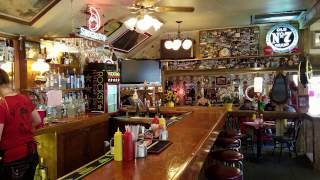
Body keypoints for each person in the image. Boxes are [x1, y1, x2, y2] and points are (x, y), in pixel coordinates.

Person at [0, 68, 41, 179]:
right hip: (31, 152)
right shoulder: (23, 98)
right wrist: (24, 129)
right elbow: (37, 120)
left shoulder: (2, 104)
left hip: (14, 159)